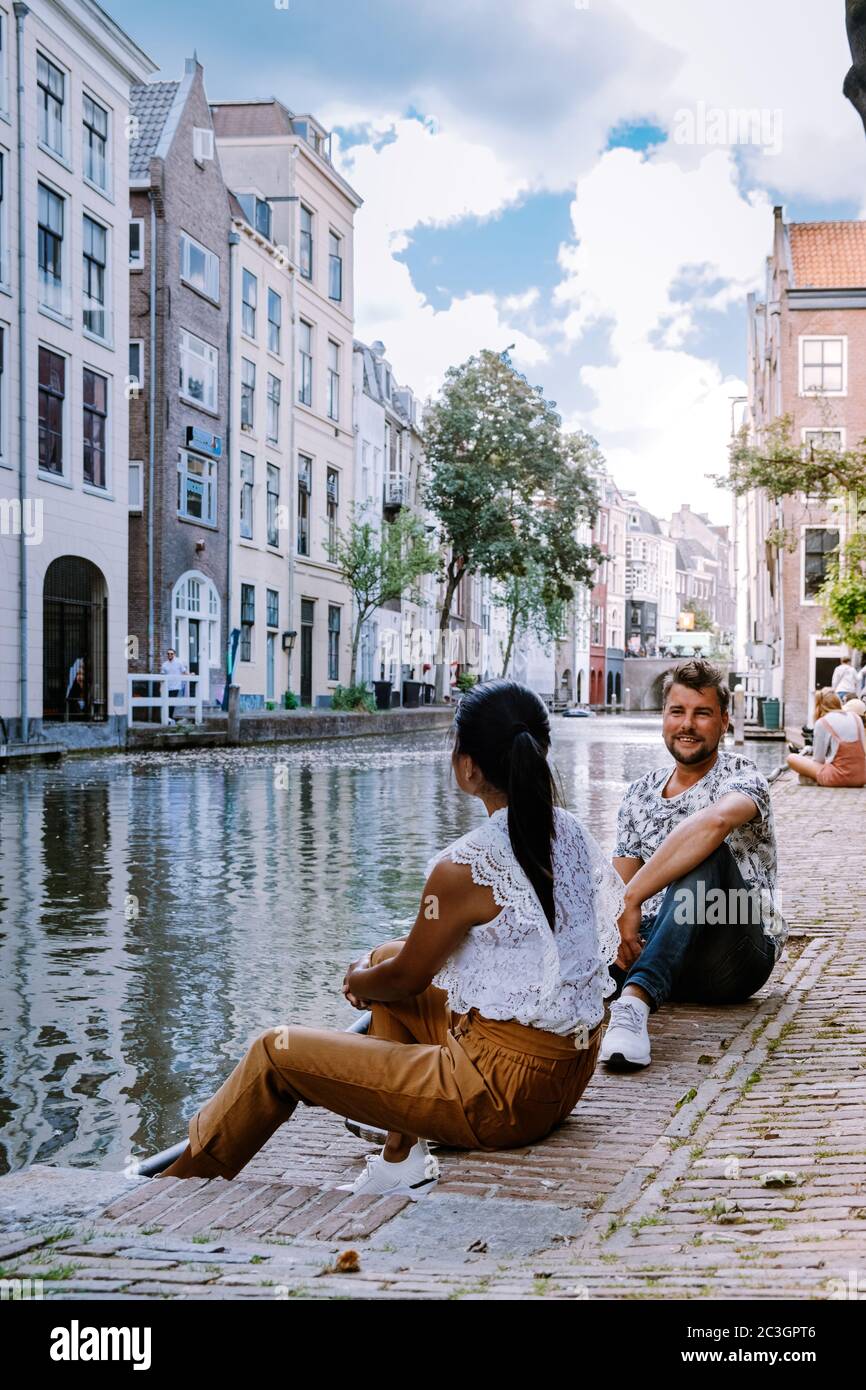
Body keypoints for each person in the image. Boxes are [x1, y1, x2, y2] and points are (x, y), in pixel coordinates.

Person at [157, 681, 624, 1198]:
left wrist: (359, 979)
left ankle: (172, 1192)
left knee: (275, 1051)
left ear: (467, 768)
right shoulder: (572, 831)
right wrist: (377, 973)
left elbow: (406, 979)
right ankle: (400, 1156)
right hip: (565, 1076)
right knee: (387, 957)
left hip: (501, 1098)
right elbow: (407, 968)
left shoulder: (466, 864)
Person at [602, 659, 785, 1071]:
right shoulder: (639, 793)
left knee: (707, 849)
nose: (688, 724)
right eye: (677, 712)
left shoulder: (743, 775)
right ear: (663, 718)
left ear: (724, 722)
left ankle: (633, 1005)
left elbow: (715, 823)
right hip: (656, 942)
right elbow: (619, 883)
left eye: (702, 713)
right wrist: (617, 918)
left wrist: (630, 899)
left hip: (732, 950)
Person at [786, 688, 866, 788]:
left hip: (838, 777)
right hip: (861, 777)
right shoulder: (855, 717)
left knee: (791, 758)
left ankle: (813, 779)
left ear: (819, 705)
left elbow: (819, 760)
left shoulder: (822, 722)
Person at [160, 647, 188, 722]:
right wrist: (160, 687)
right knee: (166, 702)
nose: (169, 655)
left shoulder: (179, 662)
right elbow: (162, 676)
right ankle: (167, 718)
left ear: (174, 654)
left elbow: (184, 672)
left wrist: (191, 675)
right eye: (168, 654)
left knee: (172, 702)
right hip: (167, 686)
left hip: (176, 686)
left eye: (171, 654)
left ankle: (170, 717)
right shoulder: (164, 664)